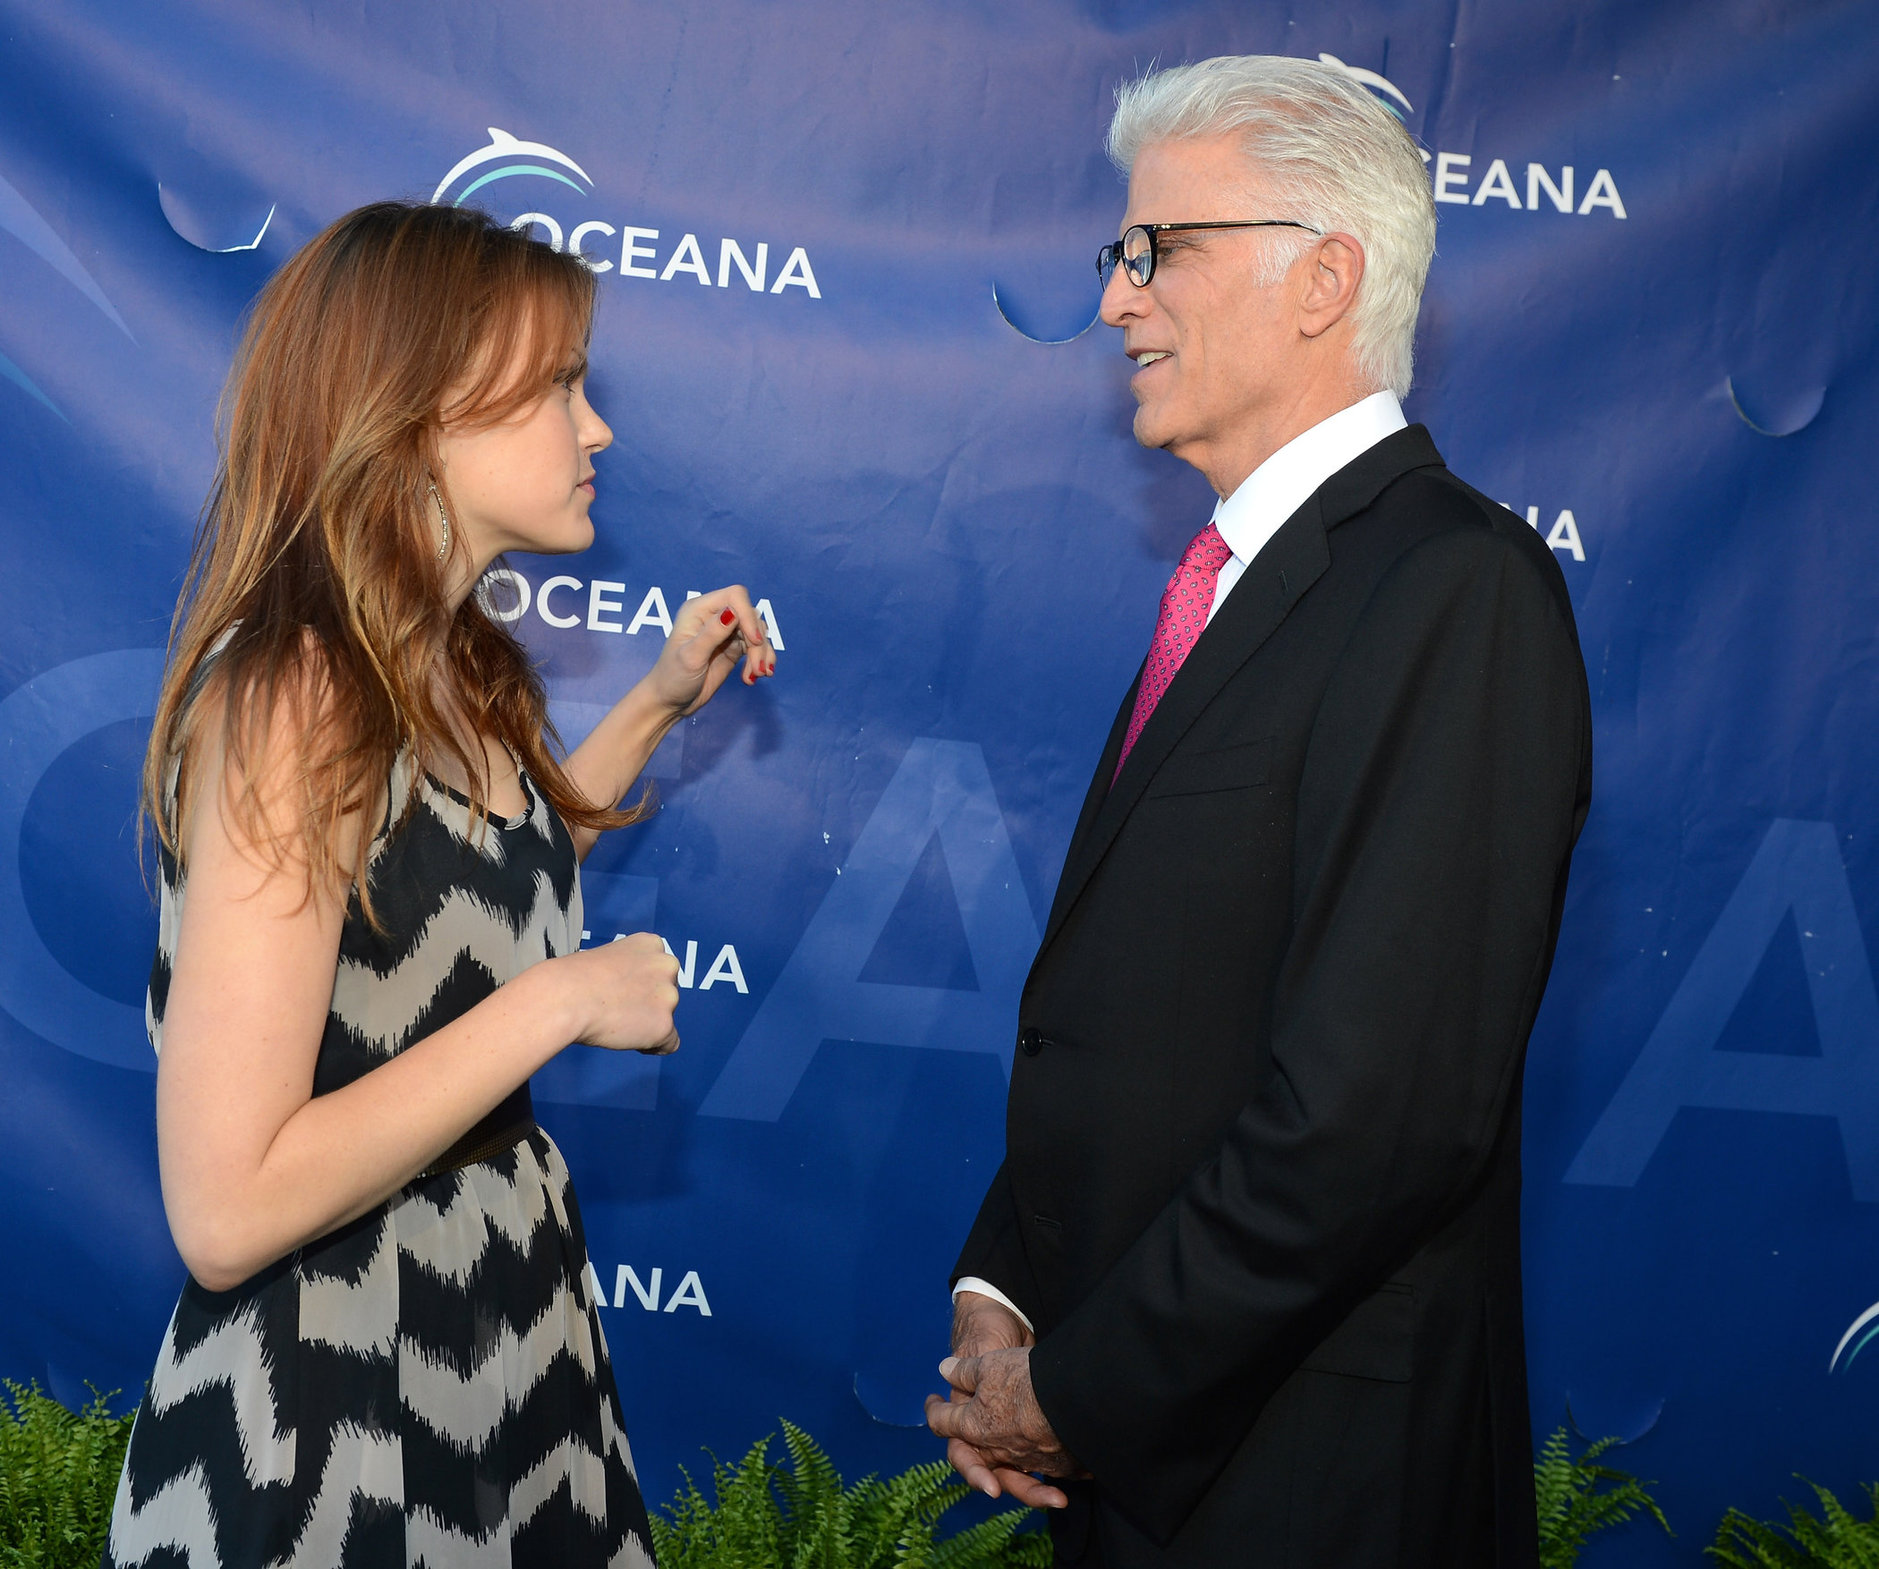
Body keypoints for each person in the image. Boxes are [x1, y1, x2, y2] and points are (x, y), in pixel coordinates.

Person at [927, 56, 1591, 1567]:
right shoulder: (1232, 591)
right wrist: (1009, 1284)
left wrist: (1076, 1391)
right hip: (1150, 1462)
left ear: (1324, 281)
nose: (1117, 300)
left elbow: (1374, 1116)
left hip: (1312, 1487)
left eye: (1161, 251)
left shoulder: (1456, 590)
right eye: (1121, 253)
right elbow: (1152, 1016)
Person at [104, 201, 775, 1568]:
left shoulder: (457, 663)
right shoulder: (297, 693)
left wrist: (653, 704)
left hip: (507, 1338)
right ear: (416, 416)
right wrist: (562, 1001)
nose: (598, 431)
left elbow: (451, 907)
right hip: (331, 1408)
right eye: (558, 386)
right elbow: (226, 1211)